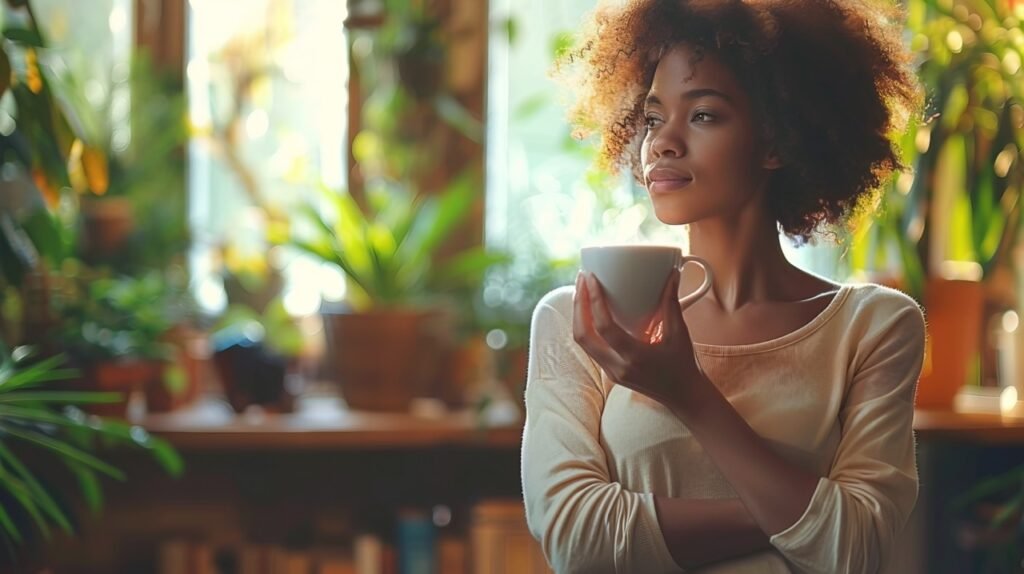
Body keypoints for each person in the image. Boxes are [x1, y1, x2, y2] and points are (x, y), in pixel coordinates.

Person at [520, 1, 927, 573]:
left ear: (777, 141)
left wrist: (688, 392)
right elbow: (576, 540)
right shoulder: (582, 322)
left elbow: (855, 550)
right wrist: (797, 513)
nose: (662, 143)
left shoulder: (873, 327)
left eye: (704, 115)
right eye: (654, 116)